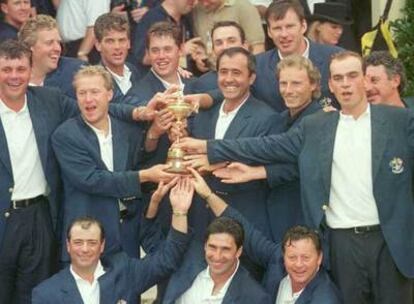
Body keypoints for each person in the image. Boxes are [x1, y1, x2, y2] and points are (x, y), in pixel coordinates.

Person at [175, 51, 414, 304]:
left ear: (365, 80)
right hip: (341, 242)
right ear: (330, 85)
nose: (345, 84)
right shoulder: (316, 126)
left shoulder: (400, 121)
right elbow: (266, 146)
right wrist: (208, 147)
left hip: (391, 242)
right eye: (338, 78)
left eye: (352, 76)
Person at [51, 65, 178, 262]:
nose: (88, 99)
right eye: (82, 93)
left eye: (95, 92)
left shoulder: (126, 128)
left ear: (110, 94)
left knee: (127, 292)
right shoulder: (65, 135)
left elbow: (138, 159)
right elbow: (92, 180)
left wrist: (154, 133)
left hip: (125, 235)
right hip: (86, 238)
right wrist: (145, 176)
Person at [188, 167, 342, 303]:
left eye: (306, 258)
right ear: (283, 256)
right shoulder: (277, 261)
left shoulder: (325, 298)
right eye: (292, 257)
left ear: (319, 258)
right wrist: (208, 195)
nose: (299, 264)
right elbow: (246, 230)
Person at [213, 55, 322, 242]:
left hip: (303, 217)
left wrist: (258, 172)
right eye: (283, 83)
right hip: (273, 218)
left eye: (296, 84)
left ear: (313, 85)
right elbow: (260, 151)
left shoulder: (321, 120)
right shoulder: (278, 119)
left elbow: (301, 165)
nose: (288, 90)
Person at [31, 178, 192, 304]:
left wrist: (180, 212)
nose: (85, 249)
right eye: (78, 242)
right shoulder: (46, 293)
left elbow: (167, 260)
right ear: (68, 245)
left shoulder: (125, 273)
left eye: (92, 242)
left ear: (102, 246)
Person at [252, 0, 342, 112]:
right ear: (269, 32)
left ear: (303, 26)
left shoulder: (334, 58)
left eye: (290, 26)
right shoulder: (257, 66)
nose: (284, 34)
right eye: (277, 28)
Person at [18, 14, 85, 98]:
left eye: (58, 42)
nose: (58, 48)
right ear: (29, 46)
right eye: (49, 43)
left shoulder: (76, 71)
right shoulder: (14, 79)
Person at [129, 0, 197, 72]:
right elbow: (143, 58)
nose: (194, 2)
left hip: (183, 78)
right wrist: (181, 51)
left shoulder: (186, 19)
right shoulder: (152, 18)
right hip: (157, 80)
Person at [94, 12, 145, 104]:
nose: (117, 47)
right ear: (98, 45)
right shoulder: (95, 79)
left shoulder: (134, 71)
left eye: (122, 40)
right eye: (110, 41)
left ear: (129, 43)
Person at [189, 20, 248, 94]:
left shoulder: (260, 77)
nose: (225, 47)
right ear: (213, 50)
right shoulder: (203, 84)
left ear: (245, 46)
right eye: (219, 43)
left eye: (231, 41)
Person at [192, 0, 265, 55]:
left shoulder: (243, 7)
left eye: (208, 0)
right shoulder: (196, 9)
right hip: (209, 71)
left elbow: (257, 48)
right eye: (200, 0)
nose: (205, 4)